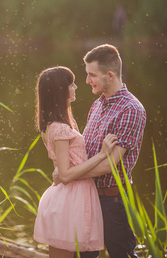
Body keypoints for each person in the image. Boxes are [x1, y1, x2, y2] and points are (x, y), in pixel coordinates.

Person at [56, 44, 147, 257]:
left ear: (110, 75)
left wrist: (67, 175)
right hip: (88, 196)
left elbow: (109, 165)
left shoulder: (131, 109)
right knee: (84, 255)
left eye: (91, 75)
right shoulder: (97, 105)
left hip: (112, 201)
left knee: (121, 254)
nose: (87, 81)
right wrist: (65, 171)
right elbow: (86, 153)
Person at [33, 66, 118, 258]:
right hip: (71, 199)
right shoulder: (60, 128)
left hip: (69, 197)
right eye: (71, 84)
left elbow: (63, 167)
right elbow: (65, 174)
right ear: (61, 90)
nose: (76, 87)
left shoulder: (53, 125)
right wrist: (102, 154)